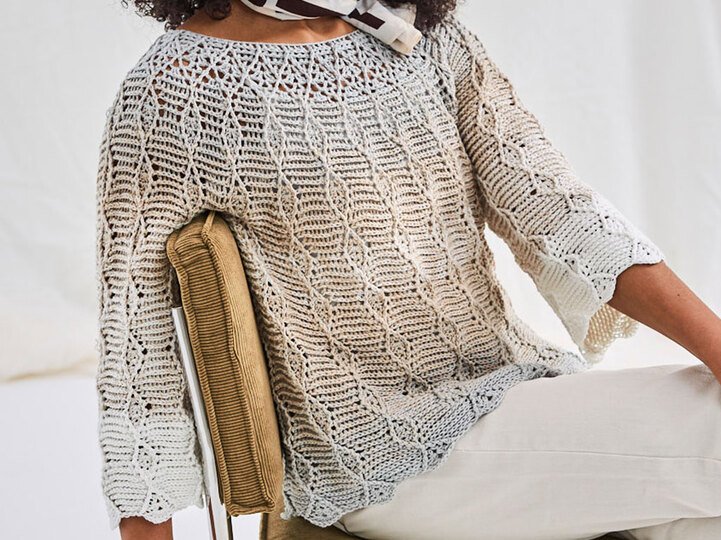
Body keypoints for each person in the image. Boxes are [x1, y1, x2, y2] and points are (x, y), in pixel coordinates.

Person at [95, 1, 721, 539]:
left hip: (514, 391)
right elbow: (135, 340)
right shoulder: (172, 91)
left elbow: (560, 212)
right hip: (383, 455)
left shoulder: (424, 37)